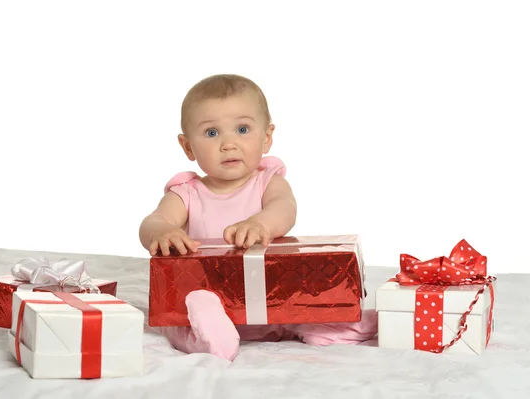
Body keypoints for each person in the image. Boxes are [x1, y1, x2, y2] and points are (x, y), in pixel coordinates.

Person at [139, 74, 377, 361]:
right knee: (185, 312)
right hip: (211, 296)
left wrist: (260, 224)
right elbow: (153, 221)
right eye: (212, 133)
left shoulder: (268, 182)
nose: (228, 144)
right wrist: (161, 232)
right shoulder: (187, 193)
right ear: (188, 147)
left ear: (266, 138)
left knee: (302, 303)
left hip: (268, 300)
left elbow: (284, 209)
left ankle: (338, 323)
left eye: (242, 129)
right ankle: (212, 339)